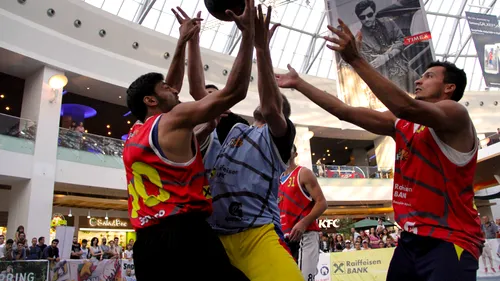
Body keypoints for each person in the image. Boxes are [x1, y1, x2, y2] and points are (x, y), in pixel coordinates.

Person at [275, 18, 483, 281]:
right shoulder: (403, 123)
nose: (419, 81)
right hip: (411, 240)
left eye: (429, 76)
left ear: (449, 88)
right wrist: (299, 83)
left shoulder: (455, 113)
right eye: (420, 76)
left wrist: (355, 60)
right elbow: (344, 111)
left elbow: (405, 107)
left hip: (450, 238)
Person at [122, 2, 256, 280]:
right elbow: (235, 92)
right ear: (151, 100)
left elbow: (165, 89)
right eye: (167, 89)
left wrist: (183, 41)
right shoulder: (173, 121)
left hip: (146, 244)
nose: (174, 89)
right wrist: (248, 35)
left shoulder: (137, 130)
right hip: (185, 236)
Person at [188, 5, 302, 281]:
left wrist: (261, 48)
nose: (268, 103)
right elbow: (199, 94)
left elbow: (272, 107)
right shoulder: (235, 127)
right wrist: (192, 42)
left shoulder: (281, 136)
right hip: (216, 236)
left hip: (258, 235)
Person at [278, 145, 327, 280]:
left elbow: (322, 202)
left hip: (305, 235)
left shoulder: (303, 173)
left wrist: (304, 223)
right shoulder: (277, 179)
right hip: (285, 238)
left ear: (295, 154)